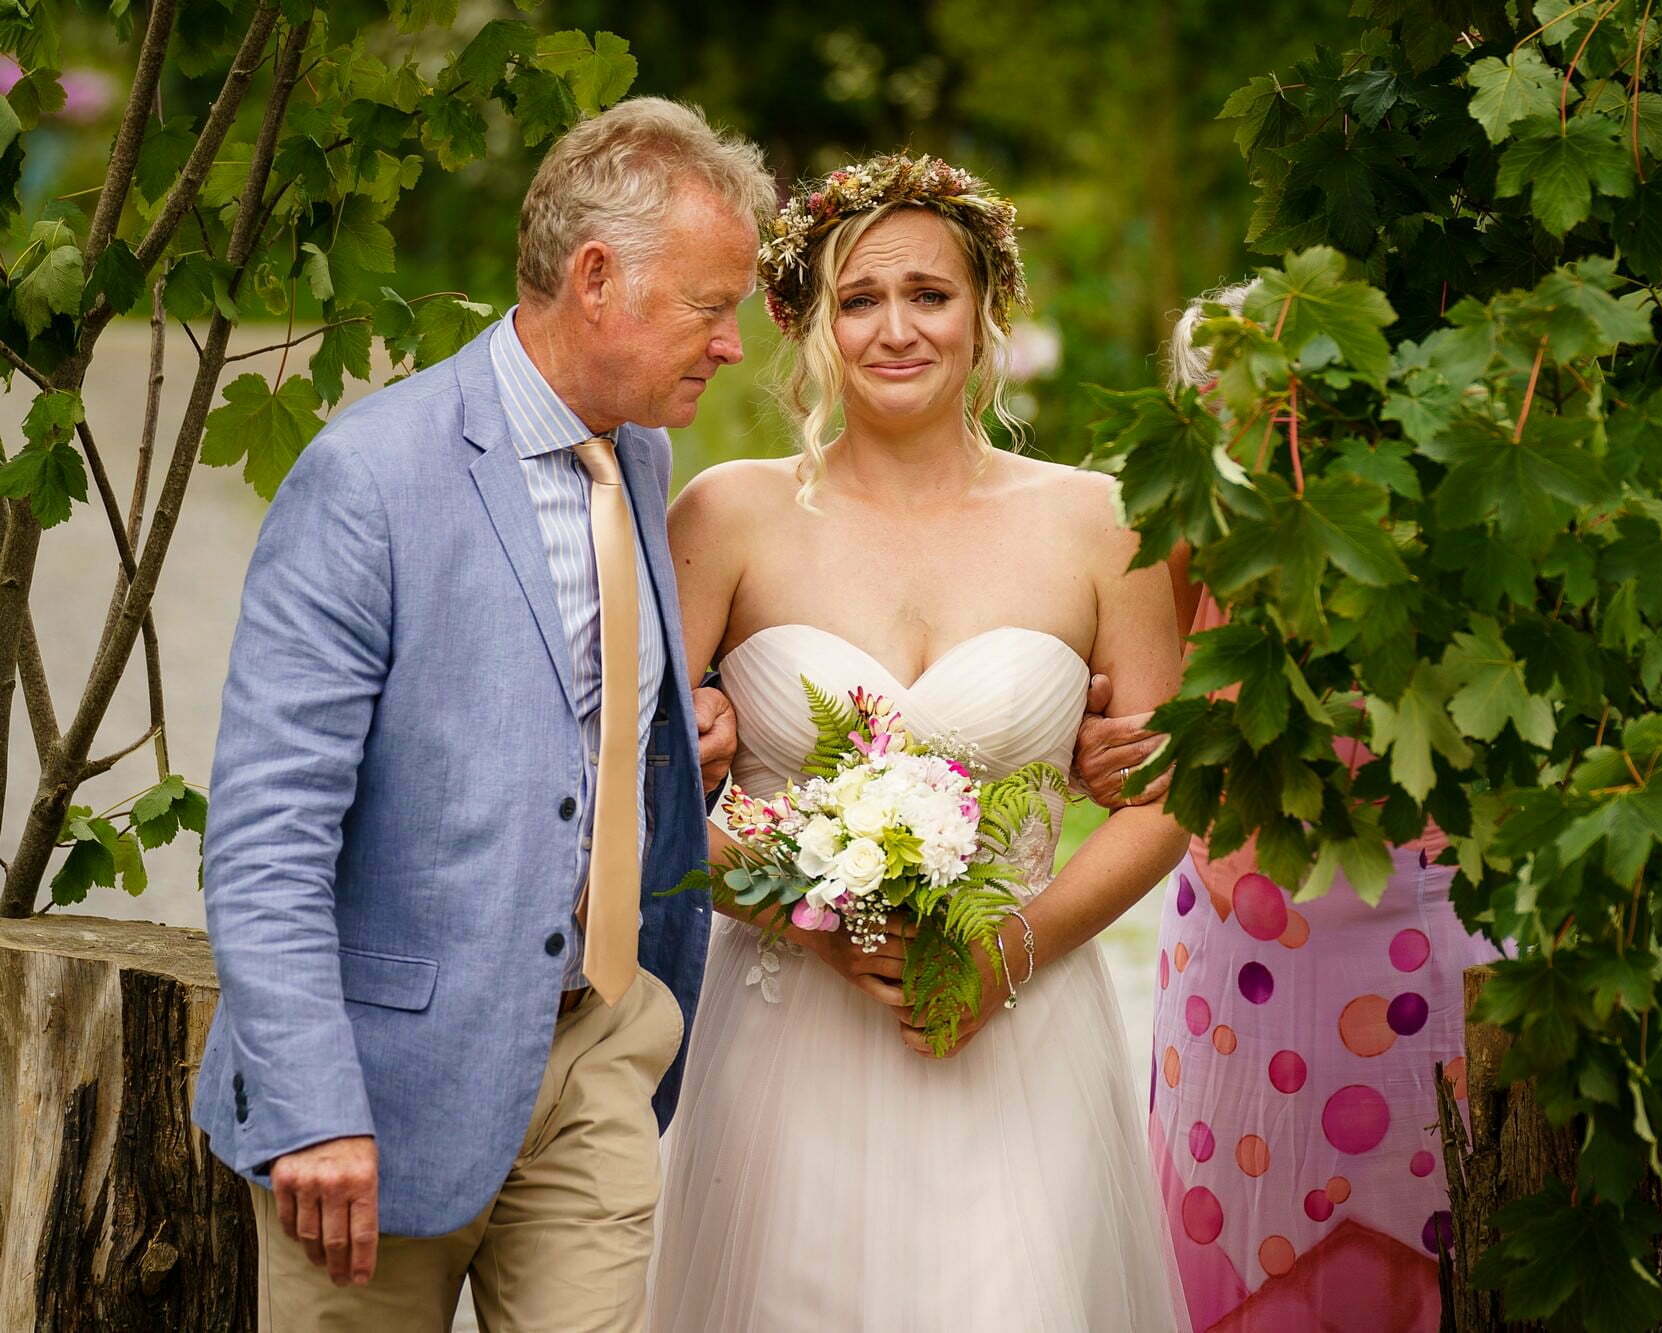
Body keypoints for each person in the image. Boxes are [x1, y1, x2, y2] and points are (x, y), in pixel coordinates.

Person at [193, 98, 774, 1330]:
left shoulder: (644, 454)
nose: (731, 343)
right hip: (382, 1091)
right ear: (598, 277)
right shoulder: (367, 478)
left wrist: (685, 742)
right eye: (710, 306)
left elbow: (553, 723)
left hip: (601, 1054)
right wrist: (314, 1102)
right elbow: (264, 831)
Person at [651, 155, 1188, 1331]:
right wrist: (810, 913)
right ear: (810, 326)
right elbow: (639, 799)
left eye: (929, 295)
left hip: (1023, 1030)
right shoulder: (726, 515)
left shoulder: (1100, 522)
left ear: (986, 307)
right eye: (858, 299)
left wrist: (1012, 949)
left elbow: (1163, 795)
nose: (895, 329)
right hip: (791, 1035)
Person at [1073, 285, 1505, 1332]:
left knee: (1452, 1222)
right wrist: (1099, 743)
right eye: (1226, 391)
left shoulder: (1428, 520)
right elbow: (1126, 715)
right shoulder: (1181, 531)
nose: (1266, 416)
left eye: (1293, 383)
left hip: (1429, 934)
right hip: (1251, 962)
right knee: (1248, 1231)